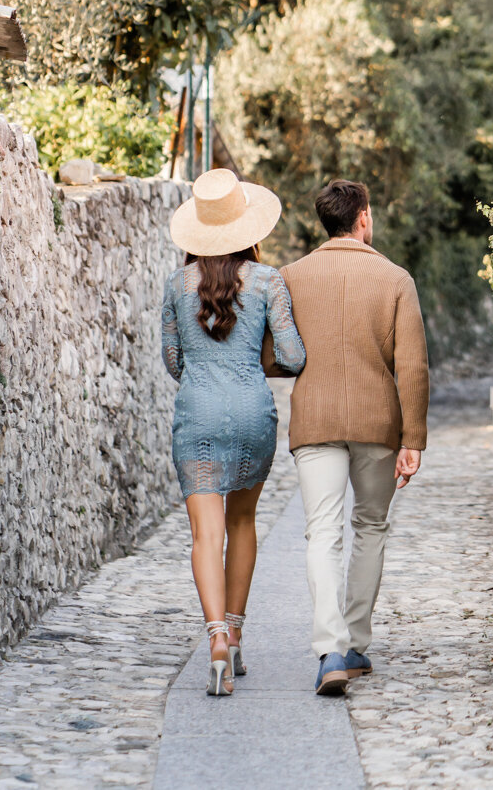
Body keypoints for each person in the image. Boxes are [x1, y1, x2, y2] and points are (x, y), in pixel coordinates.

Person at [272, 178, 429, 697]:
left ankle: (331, 650)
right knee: (371, 525)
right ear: (363, 218)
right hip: (377, 423)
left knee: (322, 532)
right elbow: (413, 366)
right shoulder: (396, 279)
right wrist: (414, 438)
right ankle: (358, 642)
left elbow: (274, 355)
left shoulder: (289, 278)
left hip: (315, 419)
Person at [164, 167, 306, 696]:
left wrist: (208, 371)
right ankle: (239, 635)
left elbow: (173, 360)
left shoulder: (178, 284)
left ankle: (216, 640)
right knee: (242, 524)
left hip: (197, 413)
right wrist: (250, 362)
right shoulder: (270, 282)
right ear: (248, 228)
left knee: (206, 533)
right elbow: (293, 357)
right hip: (252, 414)